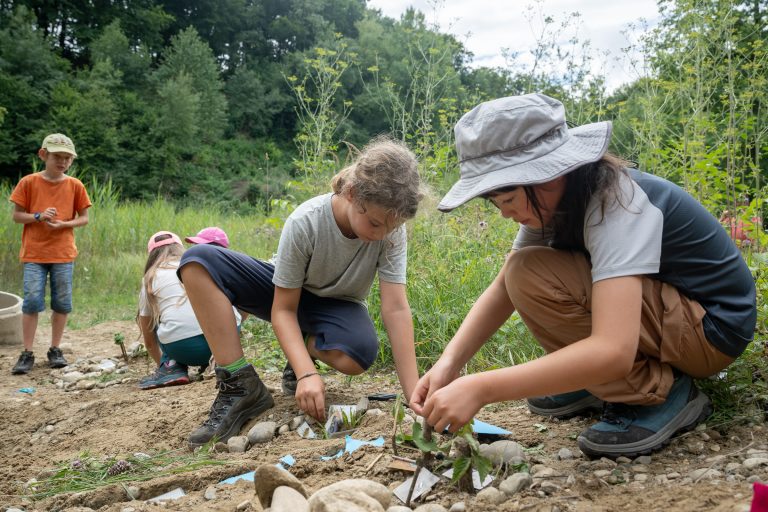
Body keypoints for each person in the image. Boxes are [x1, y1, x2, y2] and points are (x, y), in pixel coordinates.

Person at [410, 94, 756, 459]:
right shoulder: (557, 202)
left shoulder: (616, 202)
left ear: (547, 175)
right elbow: (504, 288)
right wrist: (449, 363)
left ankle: (658, 394)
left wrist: (481, 388)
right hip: (671, 316)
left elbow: (613, 349)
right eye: (495, 203)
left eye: (508, 198)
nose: (504, 213)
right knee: (523, 269)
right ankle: (598, 382)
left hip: (711, 330)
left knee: (532, 275)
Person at [177, 136, 424, 448]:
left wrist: (414, 392)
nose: (380, 236)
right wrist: (308, 376)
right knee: (198, 261)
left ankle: (301, 351)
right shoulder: (307, 220)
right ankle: (240, 384)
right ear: (351, 193)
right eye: (374, 224)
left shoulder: (391, 232)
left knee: (358, 354)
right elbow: (283, 309)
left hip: (335, 306)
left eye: (389, 228)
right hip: (282, 290)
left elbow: (396, 308)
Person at [9, 133, 91, 375]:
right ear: (43, 154)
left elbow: (84, 218)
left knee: (62, 303)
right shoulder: (28, 182)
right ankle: (27, 352)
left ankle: (55, 349)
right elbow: (16, 216)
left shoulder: (75, 185)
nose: (62, 162)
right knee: (32, 301)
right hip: (34, 253)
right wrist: (38, 216)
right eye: (57, 156)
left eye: (67, 158)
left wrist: (64, 224)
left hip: (63, 253)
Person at [137, 231, 242, 389]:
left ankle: (171, 367)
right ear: (180, 248)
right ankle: (221, 362)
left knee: (156, 317)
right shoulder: (199, 266)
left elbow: (149, 341)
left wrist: (162, 364)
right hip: (226, 343)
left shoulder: (150, 279)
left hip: (185, 349)